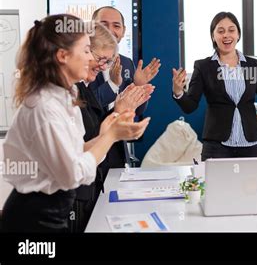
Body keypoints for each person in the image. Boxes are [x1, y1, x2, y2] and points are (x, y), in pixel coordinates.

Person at [1, 14, 150, 232]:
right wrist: (110, 136)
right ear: (63, 55)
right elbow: (72, 173)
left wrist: (109, 134)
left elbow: (77, 153)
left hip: (55, 211)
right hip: (34, 219)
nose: (91, 58)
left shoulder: (66, 96)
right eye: (87, 50)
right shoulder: (44, 106)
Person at [172, 12, 257, 161]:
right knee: (217, 184)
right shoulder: (203, 66)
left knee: (256, 184)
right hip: (217, 145)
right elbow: (190, 106)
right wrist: (178, 91)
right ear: (213, 36)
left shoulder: (252, 65)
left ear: (238, 35)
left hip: (251, 144)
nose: (226, 35)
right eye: (220, 31)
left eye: (231, 30)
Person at [72, 23, 153, 232]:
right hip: (73, 193)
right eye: (100, 59)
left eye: (106, 62)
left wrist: (119, 110)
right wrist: (115, 121)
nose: (101, 66)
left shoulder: (82, 87)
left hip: (92, 183)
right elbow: (83, 146)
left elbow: (95, 131)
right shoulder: (65, 93)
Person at [89, 6, 160, 115]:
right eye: (103, 25)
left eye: (116, 26)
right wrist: (112, 84)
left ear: (123, 31)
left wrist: (138, 86)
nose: (110, 30)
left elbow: (137, 111)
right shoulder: (85, 60)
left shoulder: (127, 63)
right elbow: (85, 107)